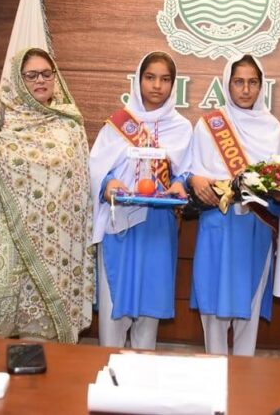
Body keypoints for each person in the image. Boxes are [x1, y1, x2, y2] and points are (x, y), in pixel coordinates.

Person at [0, 48, 93, 343]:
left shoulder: (68, 120)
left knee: (45, 331)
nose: (40, 81)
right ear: (17, 79)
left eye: (46, 74)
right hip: (5, 238)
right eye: (30, 75)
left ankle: (39, 374)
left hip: (56, 250)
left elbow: (80, 186)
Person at [186, 54, 280, 355]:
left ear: (261, 86)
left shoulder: (272, 128)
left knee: (249, 311)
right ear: (227, 84)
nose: (246, 89)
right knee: (214, 312)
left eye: (252, 82)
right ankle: (213, 376)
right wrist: (196, 179)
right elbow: (190, 171)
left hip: (255, 227)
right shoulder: (208, 125)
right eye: (239, 82)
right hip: (217, 226)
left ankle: (244, 375)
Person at [89, 51, 191, 349]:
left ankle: (143, 371)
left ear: (173, 84)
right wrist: (108, 183)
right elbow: (96, 168)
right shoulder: (117, 124)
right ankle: (109, 369)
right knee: (113, 311)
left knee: (149, 312)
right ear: (138, 80)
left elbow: (186, 171)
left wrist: (179, 183)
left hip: (158, 225)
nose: (157, 85)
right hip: (118, 223)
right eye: (150, 78)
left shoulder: (182, 127)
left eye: (165, 79)